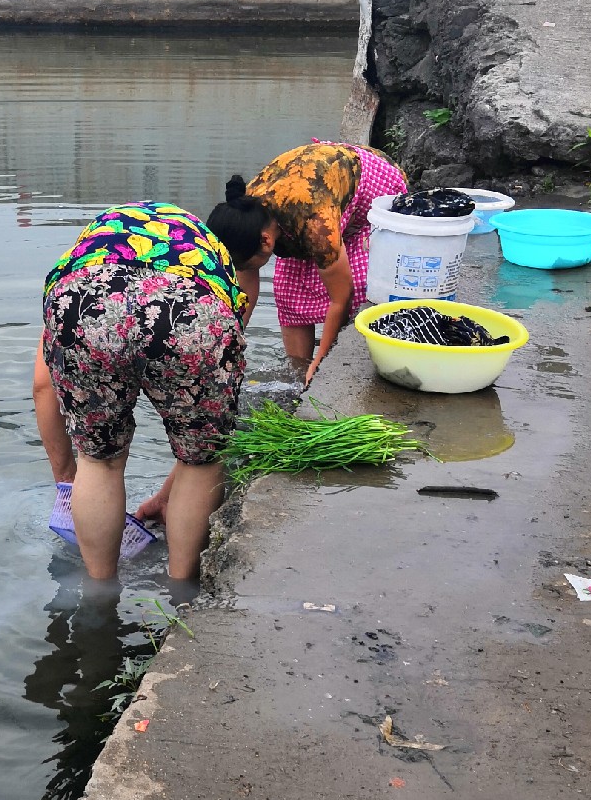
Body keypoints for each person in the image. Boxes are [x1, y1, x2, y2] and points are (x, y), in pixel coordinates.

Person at [33, 191, 277, 581]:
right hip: (190, 309)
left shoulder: (87, 251)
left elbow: (43, 388)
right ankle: (183, 591)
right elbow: (203, 426)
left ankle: (100, 592)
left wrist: (66, 480)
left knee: (99, 463)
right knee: (201, 461)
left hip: (85, 305)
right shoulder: (208, 252)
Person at [242, 140, 408, 384]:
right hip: (313, 200)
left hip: (372, 195)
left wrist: (321, 361)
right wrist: (234, 339)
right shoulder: (245, 216)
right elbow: (245, 285)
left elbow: (341, 298)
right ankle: (298, 374)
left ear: (266, 241)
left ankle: (345, 367)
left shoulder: (316, 227)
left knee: (361, 287)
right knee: (288, 289)